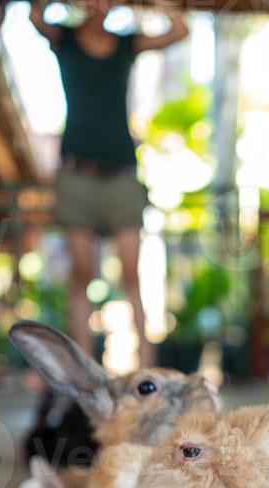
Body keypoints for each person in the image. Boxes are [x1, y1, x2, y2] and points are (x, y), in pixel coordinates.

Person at [29, 1, 187, 366]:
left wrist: (161, 6)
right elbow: (35, 15)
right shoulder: (64, 38)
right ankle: (83, 368)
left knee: (132, 273)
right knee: (80, 273)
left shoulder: (128, 43)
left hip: (120, 174)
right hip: (76, 175)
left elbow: (179, 31)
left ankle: (147, 365)